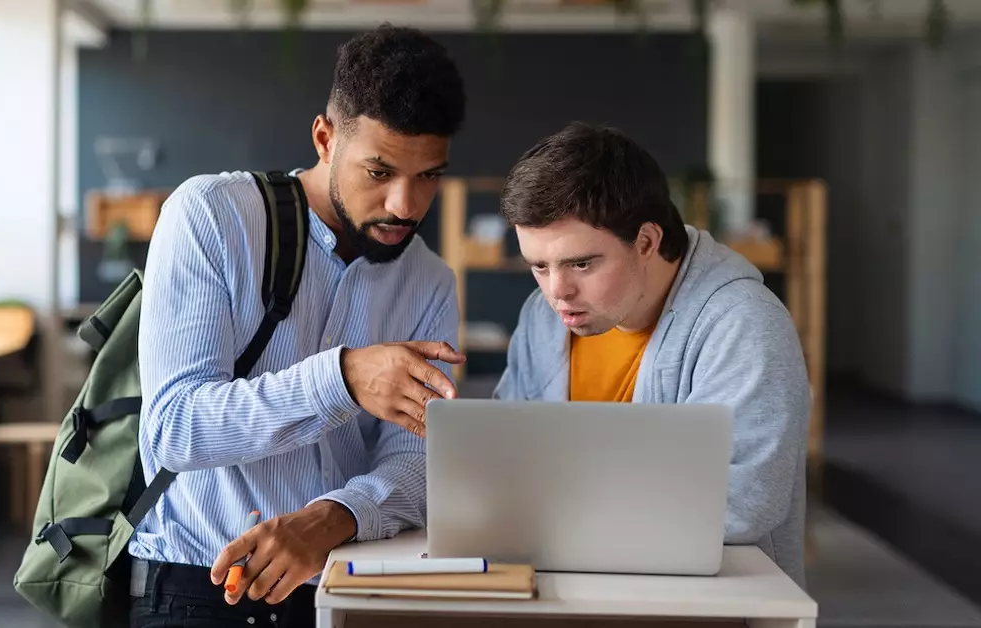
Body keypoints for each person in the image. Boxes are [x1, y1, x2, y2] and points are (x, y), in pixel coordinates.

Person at [130, 24, 468, 628]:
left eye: (429, 176)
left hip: (347, 587)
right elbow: (173, 431)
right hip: (200, 588)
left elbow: (416, 462)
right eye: (379, 171)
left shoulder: (431, 282)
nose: (405, 206)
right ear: (324, 138)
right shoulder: (211, 216)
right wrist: (341, 379)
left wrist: (332, 517)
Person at [493, 122, 810, 586]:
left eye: (581, 263)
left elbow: (742, 503)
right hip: (566, 583)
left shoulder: (744, 323)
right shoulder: (545, 318)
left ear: (646, 241)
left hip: (712, 601)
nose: (557, 291)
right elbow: (506, 455)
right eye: (539, 266)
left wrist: (551, 513)